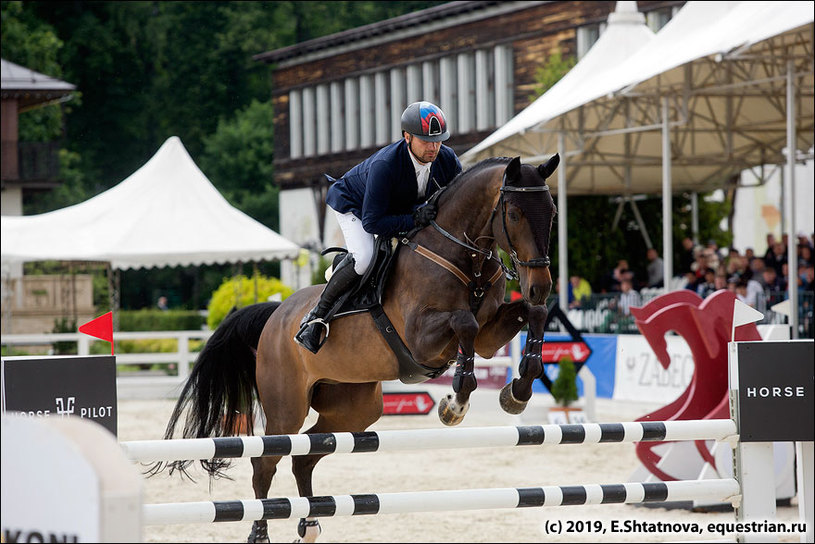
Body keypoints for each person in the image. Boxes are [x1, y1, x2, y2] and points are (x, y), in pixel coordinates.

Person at [294, 101, 462, 353]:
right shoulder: (386, 165)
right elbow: (373, 222)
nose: (434, 147)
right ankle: (315, 318)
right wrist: (415, 217)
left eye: (438, 140)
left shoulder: (447, 159)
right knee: (364, 258)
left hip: (394, 208)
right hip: (356, 206)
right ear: (407, 137)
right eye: (426, 141)